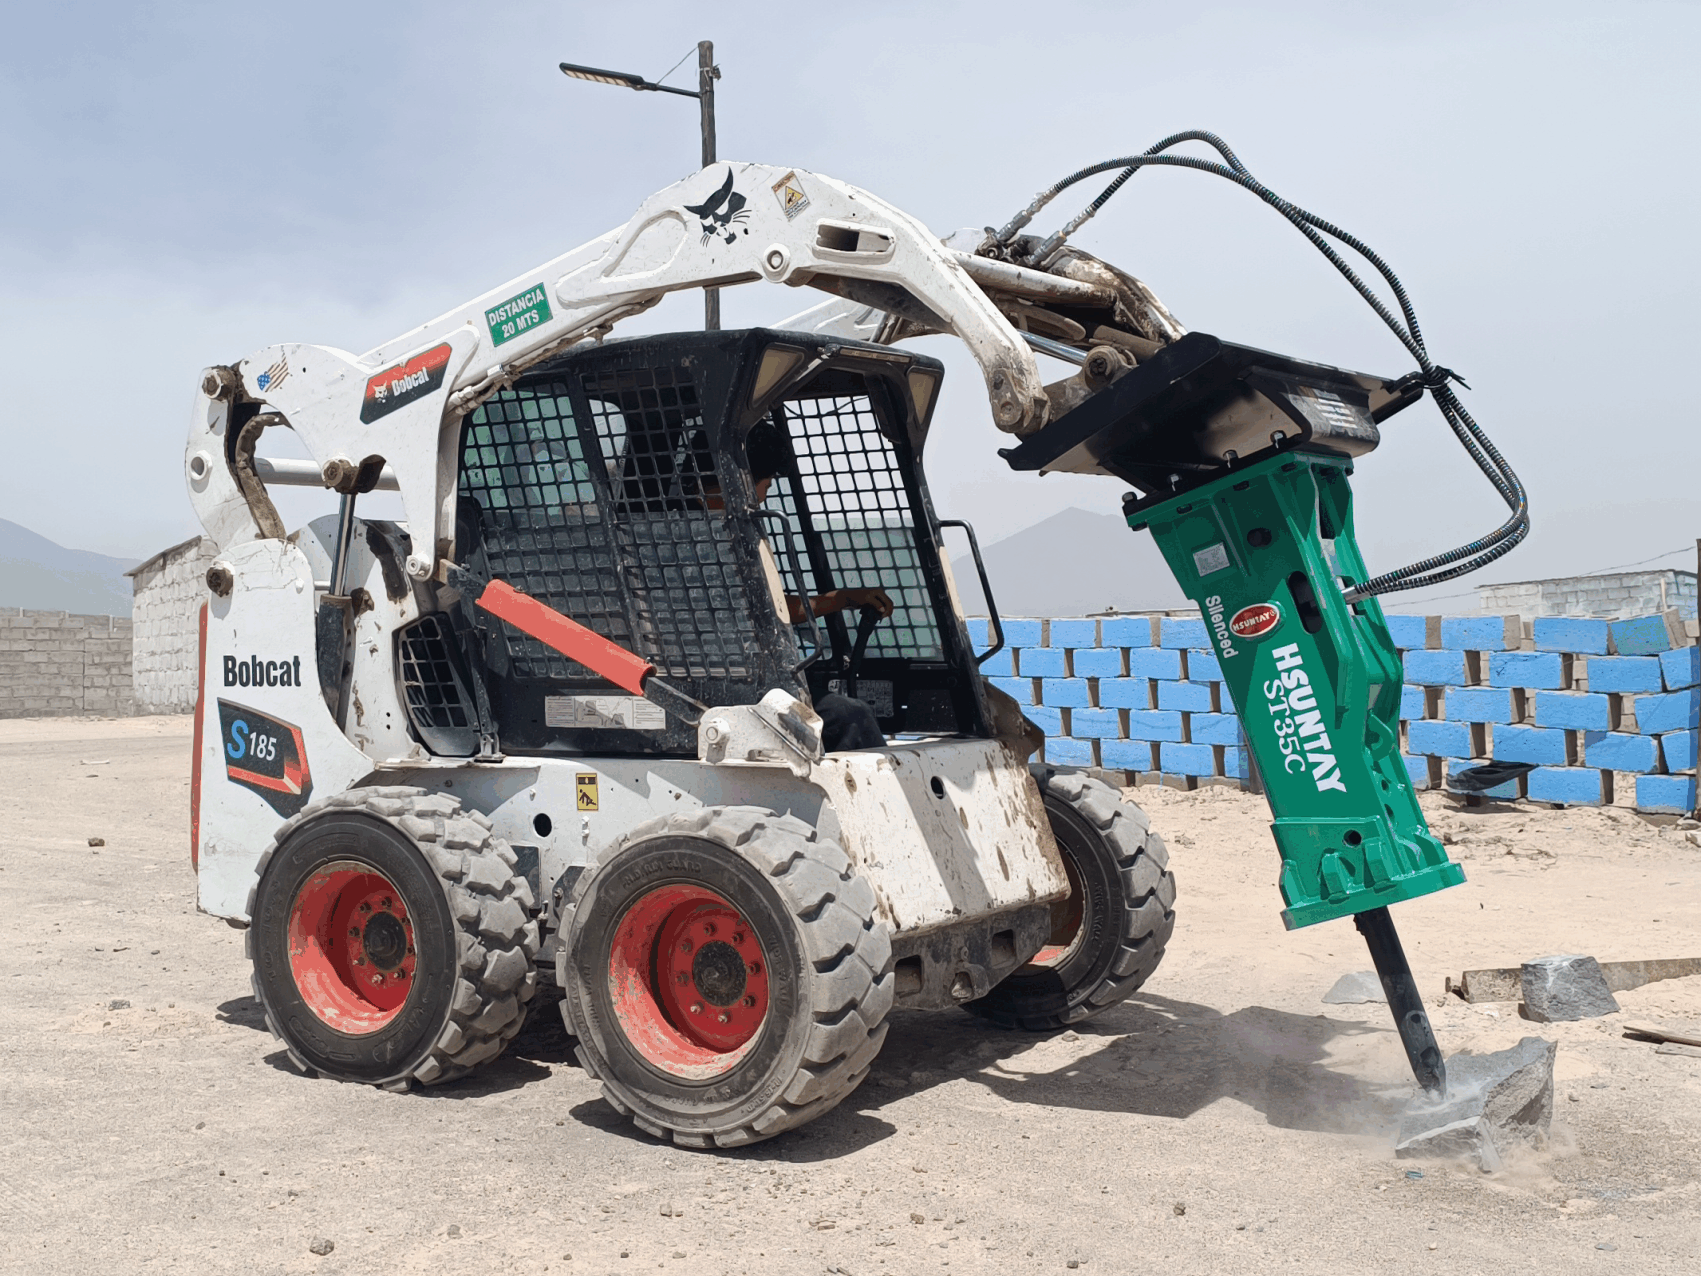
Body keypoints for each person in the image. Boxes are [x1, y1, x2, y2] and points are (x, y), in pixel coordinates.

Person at [742, 418, 890, 751]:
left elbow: (775, 606)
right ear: (749, 480)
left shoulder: (663, 535)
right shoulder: (735, 536)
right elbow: (784, 610)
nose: (765, 497)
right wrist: (845, 599)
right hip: (752, 687)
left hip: (720, 679)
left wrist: (844, 598)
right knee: (852, 717)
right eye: (767, 483)